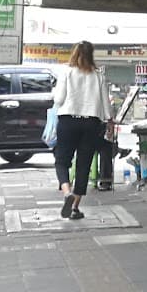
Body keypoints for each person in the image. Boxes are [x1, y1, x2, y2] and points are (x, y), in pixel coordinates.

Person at [52, 40, 112, 219]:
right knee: (84, 165)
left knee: (62, 160)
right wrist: (109, 120)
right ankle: (75, 208)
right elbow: (105, 103)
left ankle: (66, 192)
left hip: (68, 120)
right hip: (91, 123)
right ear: (91, 55)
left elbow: (59, 99)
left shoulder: (67, 72)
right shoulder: (98, 75)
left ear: (74, 53)